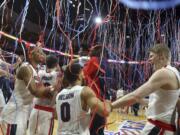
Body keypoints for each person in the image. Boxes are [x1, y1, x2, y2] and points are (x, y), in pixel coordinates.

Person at [112, 44, 180, 135]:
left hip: (158, 128)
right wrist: (139, 100)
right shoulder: (174, 72)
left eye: (151, 56)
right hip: (164, 128)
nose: (149, 59)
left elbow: (135, 96)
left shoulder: (163, 72)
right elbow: (158, 102)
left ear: (161, 57)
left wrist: (110, 106)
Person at [0, 46, 55, 135]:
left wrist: (47, 91)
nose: (41, 54)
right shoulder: (25, 68)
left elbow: (41, 90)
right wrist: (53, 88)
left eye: (42, 52)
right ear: (30, 55)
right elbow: (35, 91)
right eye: (38, 52)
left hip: (23, 112)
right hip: (14, 113)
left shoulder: (36, 70)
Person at [55, 62, 112, 135]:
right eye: (82, 72)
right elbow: (105, 111)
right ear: (79, 76)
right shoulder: (84, 91)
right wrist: (107, 103)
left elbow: (56, 116)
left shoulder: (59, 95)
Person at [27, 54, 62, 135]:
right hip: (47, 112)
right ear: (56, 64)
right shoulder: (57, 75)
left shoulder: (39, 72)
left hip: (35, 109)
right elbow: (58, 87)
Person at [83, 45, 112, 135]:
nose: (89, 50)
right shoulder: (106, 63)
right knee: (99, 128)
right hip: (103, 98)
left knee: (93, 128)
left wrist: (83, 65)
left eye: (91, 49)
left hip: (94, 97)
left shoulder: (94, 60)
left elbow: (84, 74)